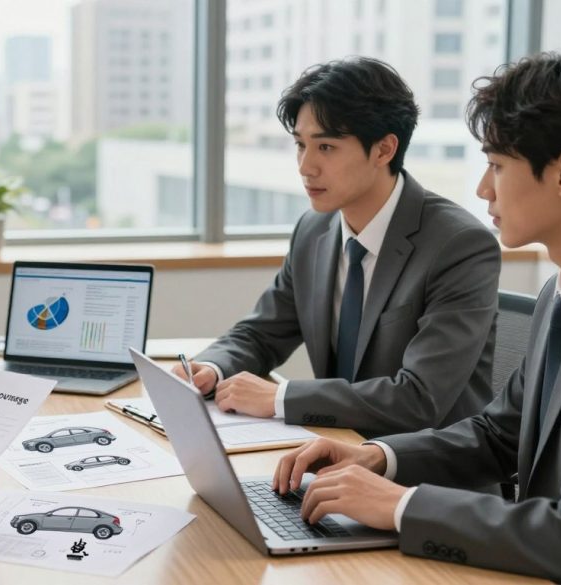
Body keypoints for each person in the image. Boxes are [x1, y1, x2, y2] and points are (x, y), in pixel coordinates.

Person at [271, 49, 561, 584]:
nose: (484, 189)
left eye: (497, 166)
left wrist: (399, 506)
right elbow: (496, 434)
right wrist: (377, 457)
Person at [180, 58, 500, 437]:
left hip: (424, 478)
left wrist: (281, 397)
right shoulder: (314, 229)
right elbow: (262, 333)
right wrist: (211, 368)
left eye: (326, 147)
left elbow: (420, 398)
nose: (305, 166)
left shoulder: (458, 245)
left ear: (383, 150)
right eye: (300, 145)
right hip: (335, 452)